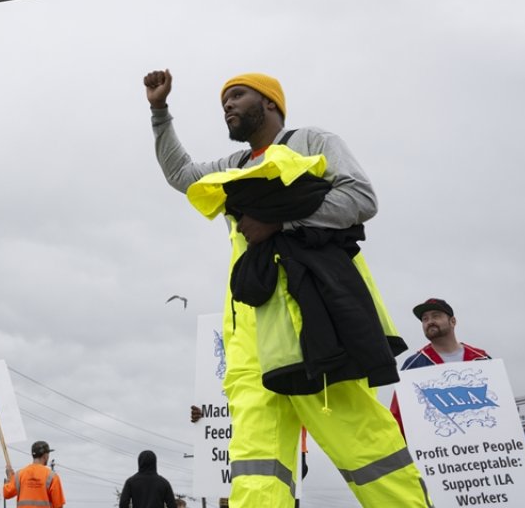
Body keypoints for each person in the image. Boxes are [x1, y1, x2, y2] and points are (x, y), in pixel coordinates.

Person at [143, 70, 429, 507]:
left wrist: (282, 221)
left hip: (313, 326)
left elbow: (362, 199)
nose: (228, 105)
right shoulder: (234, 168)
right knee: (255, 467)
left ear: (271, 103)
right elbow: (182, 173)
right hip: (248, 341)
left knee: (365, 447)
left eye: (238, 95)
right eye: (224, 100)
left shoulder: (311, 141)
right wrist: (159, 111)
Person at [390, 298, 492, 432]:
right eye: (425, 319)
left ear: (453, 321)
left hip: (483, 444)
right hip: (436, 447)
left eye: (436, 316)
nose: (430, 321)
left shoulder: (481, 359)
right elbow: (398, 413)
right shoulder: (413, 365)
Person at [3, 441, 65, 508]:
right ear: (45, 456)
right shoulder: (52, 476)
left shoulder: (19, 475)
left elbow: (7, 493)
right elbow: (58, 505)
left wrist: (10, 477)